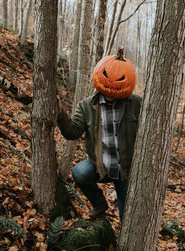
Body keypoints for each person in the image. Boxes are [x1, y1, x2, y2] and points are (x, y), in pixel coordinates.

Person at [57, 49, 141, 220]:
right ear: (99, 75)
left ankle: (124, 243)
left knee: (128, 217)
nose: (112, 82)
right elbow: (72, 132)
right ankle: (99, 203)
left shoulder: (137, 104)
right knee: (80, 172)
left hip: (126, 170)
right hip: (100, 166)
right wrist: (60, 115)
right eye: (107, 75)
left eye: (120, 79)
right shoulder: (86, 106)